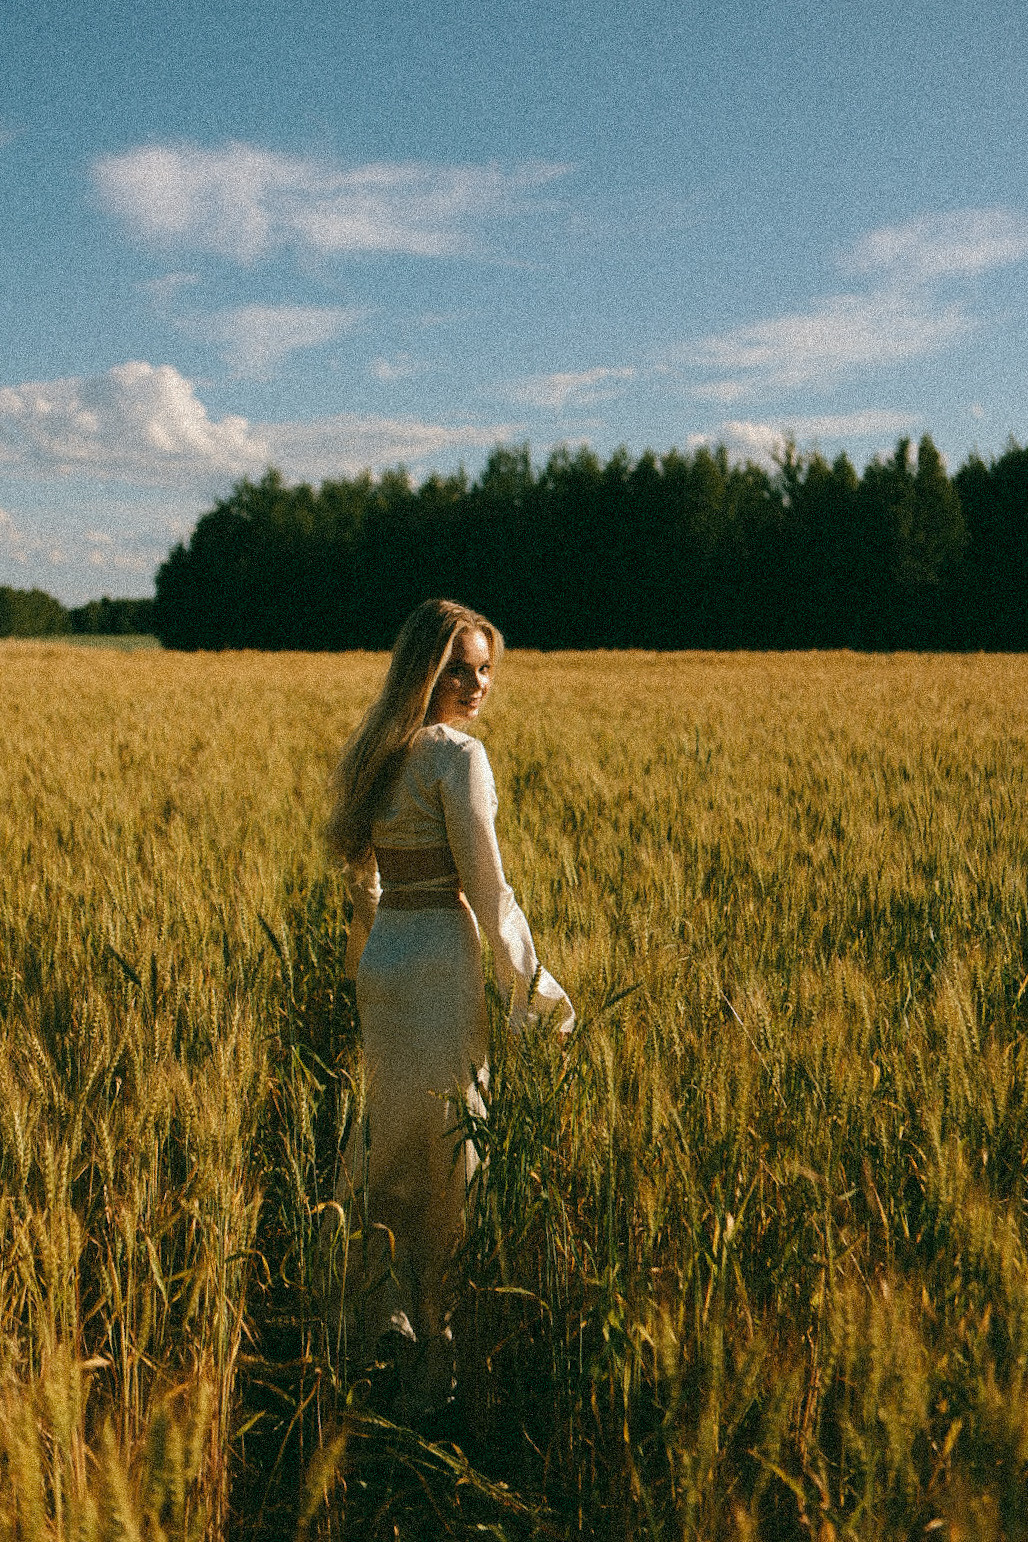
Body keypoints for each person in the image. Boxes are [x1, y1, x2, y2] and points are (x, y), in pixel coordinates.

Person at [326, 598, 574, 1405]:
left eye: (486, 669)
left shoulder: (379, 752)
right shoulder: (457, 757)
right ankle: (437, 1357)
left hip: (389, 960)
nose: (477, 684)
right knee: (450, 1154)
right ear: (426, 671)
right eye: (459, 667)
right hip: (439, 959)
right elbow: (486, 885)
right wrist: (533, 985)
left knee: (389, 1143)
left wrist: (378, 946)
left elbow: (365, 878)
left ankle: (376, 1324)